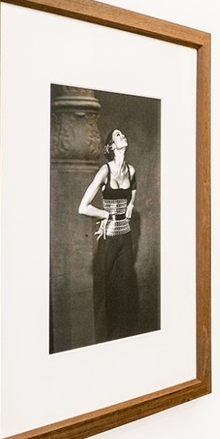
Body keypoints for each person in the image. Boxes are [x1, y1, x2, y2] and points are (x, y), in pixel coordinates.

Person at [78, 128, 140, 342]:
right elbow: (83, 207)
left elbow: (132, 190)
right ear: (112, 146)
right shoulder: (105, 170)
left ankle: (123, 341)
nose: (122, 136)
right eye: (117, 135)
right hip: (109, 238)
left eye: (122, 134)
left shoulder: (131, 170)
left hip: (126, 237)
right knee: (106, 291)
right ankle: (103, 342)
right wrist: (105, 214)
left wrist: (130, 205)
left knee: (126, 291)